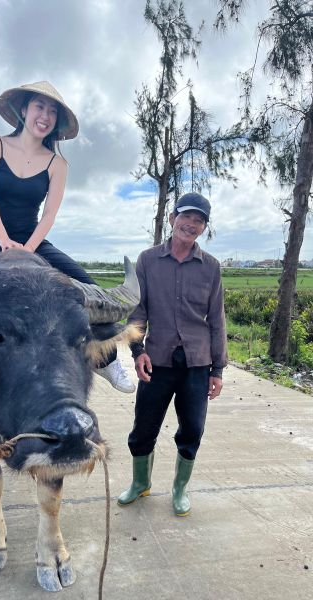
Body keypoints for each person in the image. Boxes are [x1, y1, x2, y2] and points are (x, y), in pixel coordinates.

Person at [0, 80, 135, 416]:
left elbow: (49, 215)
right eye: (39, 107)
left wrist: (26, 249)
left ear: (56, 122)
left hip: (35, 243)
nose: (45, 116)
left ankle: (106, 362)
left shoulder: (56, 164)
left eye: (52, 111)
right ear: (23, 110)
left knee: (89, 289)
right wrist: (4, 242)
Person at [117, 193, 227, 515]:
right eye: (186, 217)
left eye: (199, 220)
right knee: (143, 428)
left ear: (203, 228)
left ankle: (180, 488)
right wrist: (137, 351)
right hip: (158, 360)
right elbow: (138, 312)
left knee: (192, 428)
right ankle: (141, 483)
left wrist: (217, 370)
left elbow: (217, 320)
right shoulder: (148, 260)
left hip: (197, 363)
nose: (191, 224)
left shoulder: (211, 268)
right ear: (172, 218)